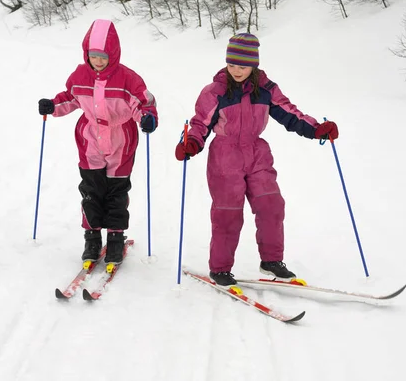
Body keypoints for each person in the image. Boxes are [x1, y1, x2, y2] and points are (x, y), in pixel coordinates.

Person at [175, 33, 338, 286]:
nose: (236, 71)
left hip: (257, 152)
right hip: (225, 157)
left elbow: (289, 113)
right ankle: (220, 268)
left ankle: (271, 260)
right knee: (228, 213)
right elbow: (200, 123)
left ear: (254, 65)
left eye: (242, 66)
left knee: (272, 204)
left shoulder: (266, 89)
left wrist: (316, 128)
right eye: (231, 65)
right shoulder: (215, 91)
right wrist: (192, 143)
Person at [39, 19, 158, 264]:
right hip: (90, 138)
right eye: (93, 56)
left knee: (116, 190)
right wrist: (52, 105)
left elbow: (143, 102)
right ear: (86, 54)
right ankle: (92, 237)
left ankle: (115, 237)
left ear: (113, 54)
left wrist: (147, 118)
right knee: (91, 189)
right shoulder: (80, 74)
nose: (99, 61)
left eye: (103, 56)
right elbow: (70, 98)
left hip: (120, 139)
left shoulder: (127, 78)